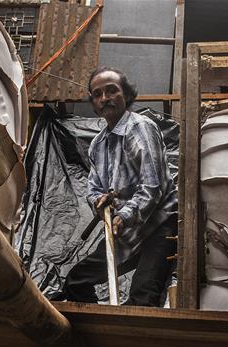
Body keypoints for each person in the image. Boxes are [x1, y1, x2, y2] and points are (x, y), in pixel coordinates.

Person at [63, 67, 178, 308]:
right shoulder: (98, 144)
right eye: (97, 94)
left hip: (158, 225)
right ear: (93, 102)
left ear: (125, 94)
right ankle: (99, 327)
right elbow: (94, 189)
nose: (104, 98)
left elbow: (153, 186)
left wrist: (124, 215)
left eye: (111, 91)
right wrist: (99, 201)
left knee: (143, 297)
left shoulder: (141, 127)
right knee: (76, 281)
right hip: (125, 231)